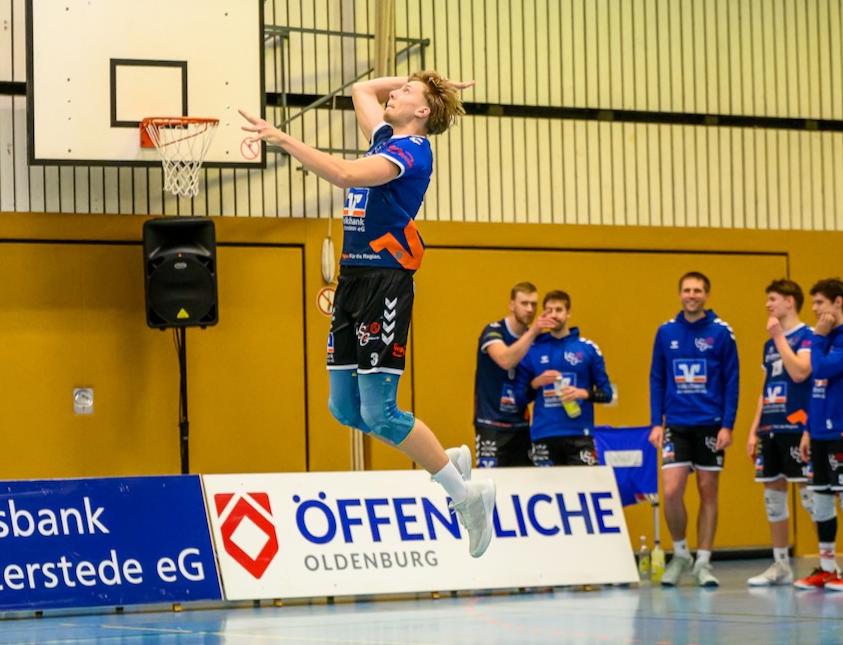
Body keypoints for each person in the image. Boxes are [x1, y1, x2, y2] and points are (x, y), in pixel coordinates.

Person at [239, 72, 497, 558]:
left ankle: (467, 498)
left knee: (381, 412)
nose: (394, 93)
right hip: (351, 280)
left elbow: (346, 175)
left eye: (406, 93)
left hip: (385, 282)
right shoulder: (384, 138)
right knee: (344, 409)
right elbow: (362, 89)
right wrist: (426, 80)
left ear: (422, 113)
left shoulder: (412, 152)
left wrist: (282, 138)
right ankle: (445, 458)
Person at [649, 271, 739, 587]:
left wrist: (728, 425)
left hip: (710, 425)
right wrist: (655, 422)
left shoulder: (722, 332)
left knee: (707, 490)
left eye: (697, 290)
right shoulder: (666, 332)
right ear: (679, 294)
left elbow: (732, 380)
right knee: (671, 491)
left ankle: (703, 561)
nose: (692, 295)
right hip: (675, 424)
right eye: (687, 290)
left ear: (706, 295)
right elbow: (657, 378)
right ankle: (681, 553)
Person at [794, 278, 843, 591]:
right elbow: (816, 387)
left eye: (819, 303)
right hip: (820, 432)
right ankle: (827, 569)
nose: (813, 309)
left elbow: (822, 369)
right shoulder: (823, 337)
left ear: (837, 302)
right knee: (821, 502)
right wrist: (807, 430)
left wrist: (817, 337)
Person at [745, 279, 814, 586]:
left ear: (790, 301)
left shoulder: (809, 336)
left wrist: (778, 337)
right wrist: (754, 430)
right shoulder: (768, 345)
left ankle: (827, 563)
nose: (768, 304)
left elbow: (800, 372)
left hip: (797, 426)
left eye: (773, 299)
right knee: (773, 499)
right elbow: (764, 389)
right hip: (770, 427)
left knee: (812, 498)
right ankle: (781, 565)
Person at [515, 290, 613, 466]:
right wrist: (535, 383)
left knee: (586, 483)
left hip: (579, 435)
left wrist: (583, 393)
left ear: (568, 312)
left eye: (558, 310)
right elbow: (519, 398)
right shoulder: (532, 350)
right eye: (549, 310)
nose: (553, 315)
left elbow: (607, 394)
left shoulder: (588, 349)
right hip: (544, 434)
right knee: (545, 484)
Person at [474, 282, 555, 467]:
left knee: (525, 480)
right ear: (512, 305)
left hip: (521, 425)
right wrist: (533, 331)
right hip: (491, 423)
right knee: (490, 480)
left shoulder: (536, 340)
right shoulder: (494, 331)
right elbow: (505, 360)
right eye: (524, 303)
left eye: (534, 304)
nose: (530, 309)